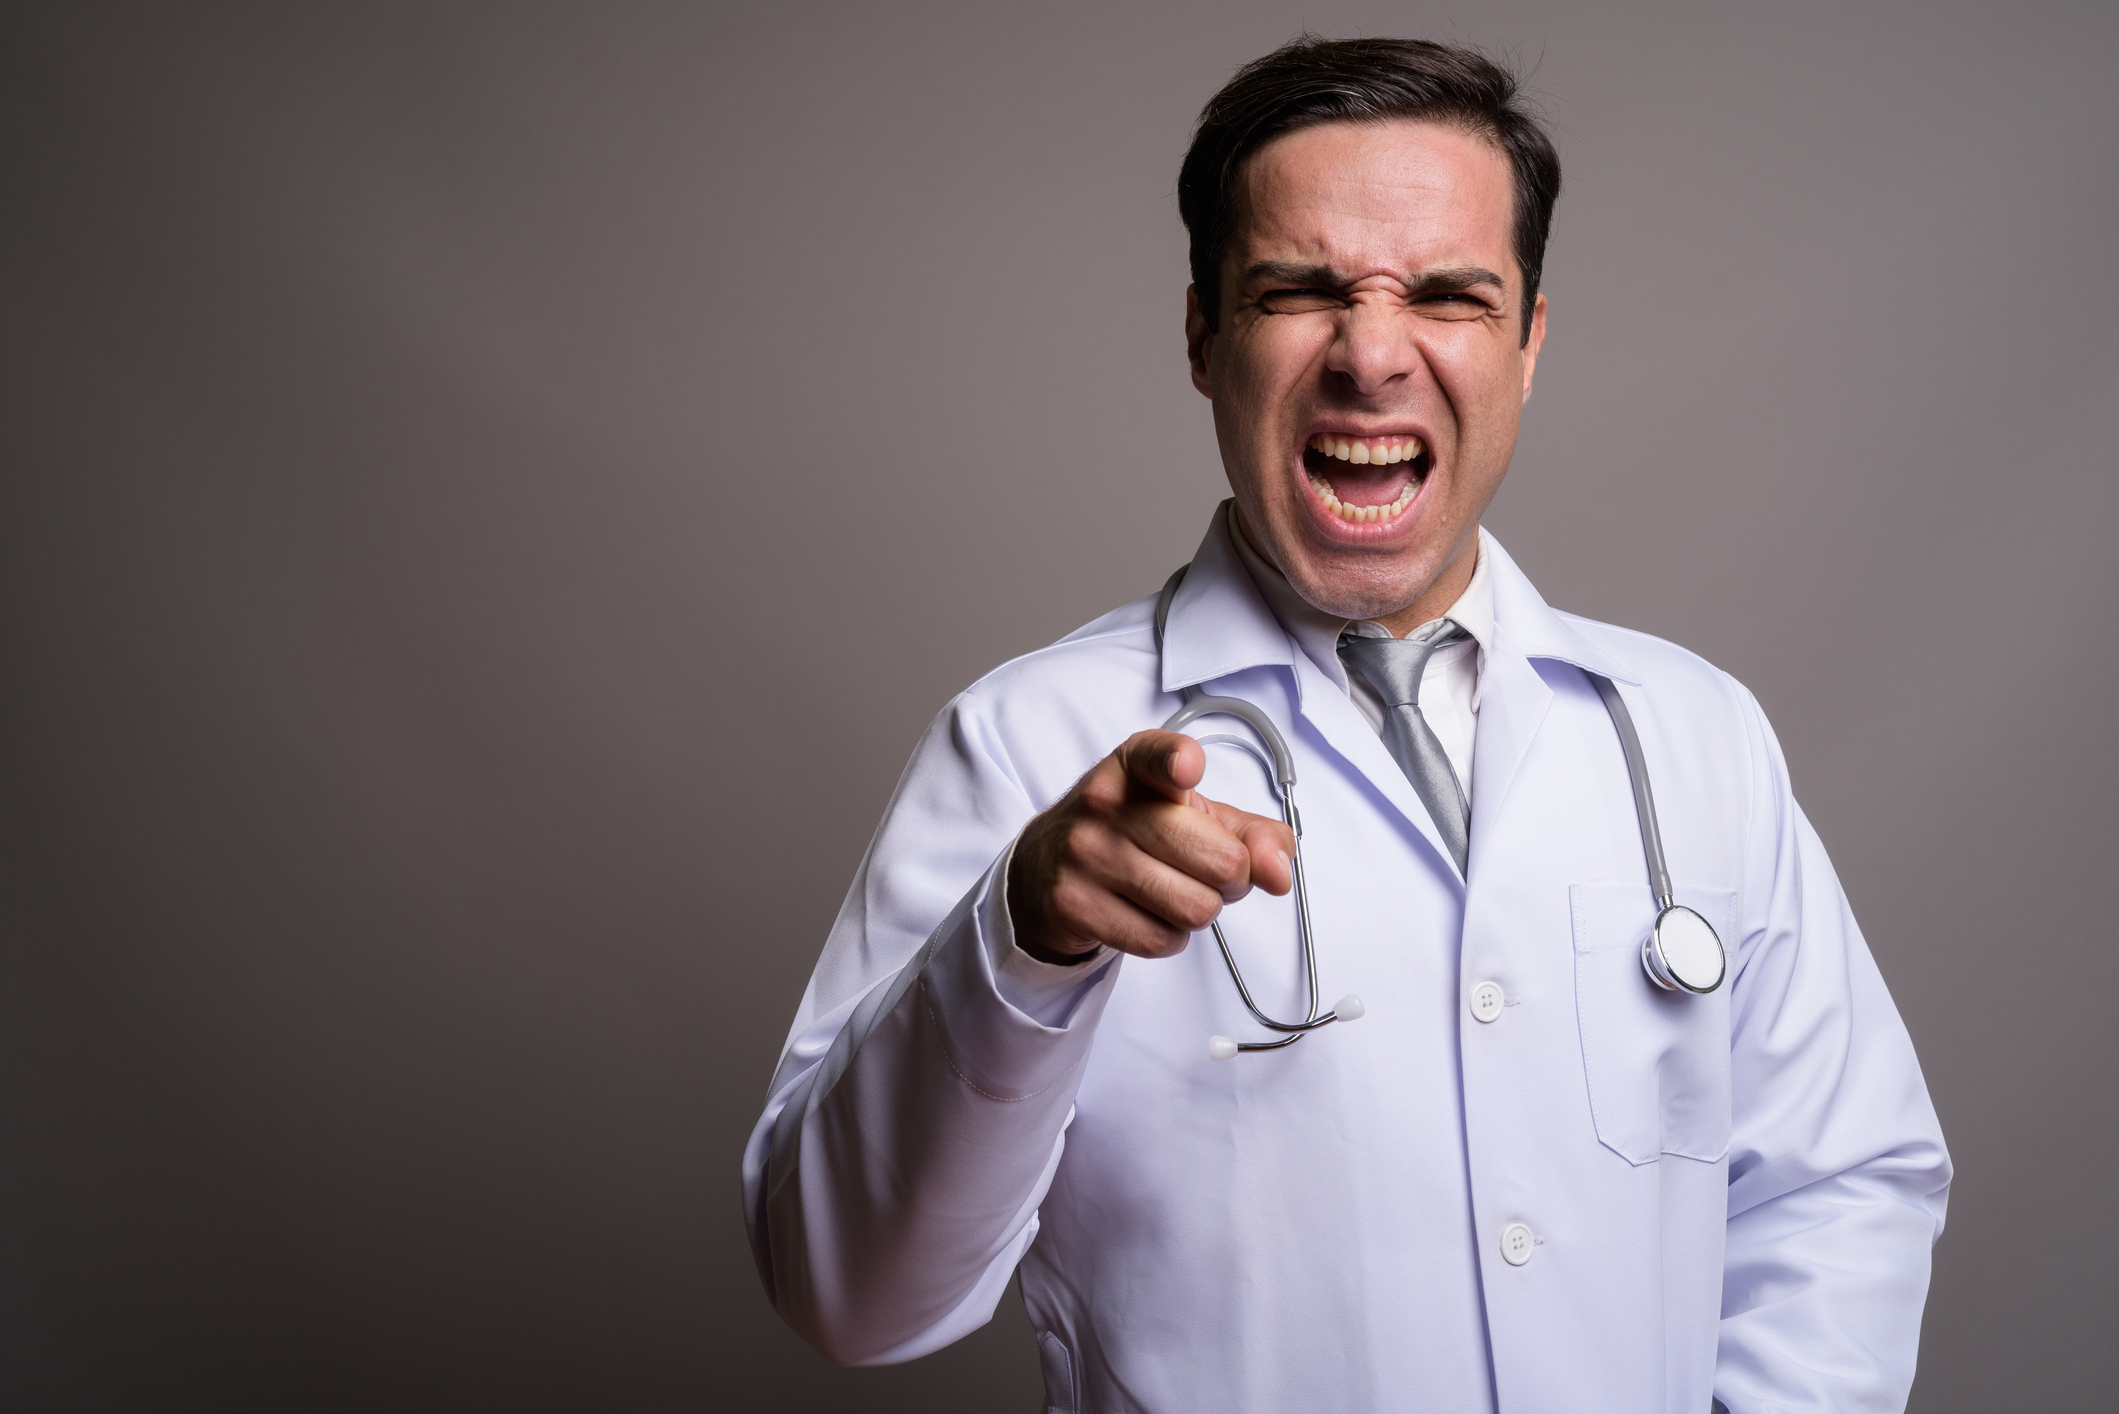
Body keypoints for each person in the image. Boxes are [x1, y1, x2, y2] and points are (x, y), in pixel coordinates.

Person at [742, 36, 1949, 1414]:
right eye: (1299, 291)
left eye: (1448, 294)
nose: (1373, 355)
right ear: (1203, 335)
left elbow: (1845, 1179)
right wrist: (1027, 931)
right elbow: (847, 1293)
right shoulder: (1028, 740)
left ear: (1528, 342)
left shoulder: (1691, 738)